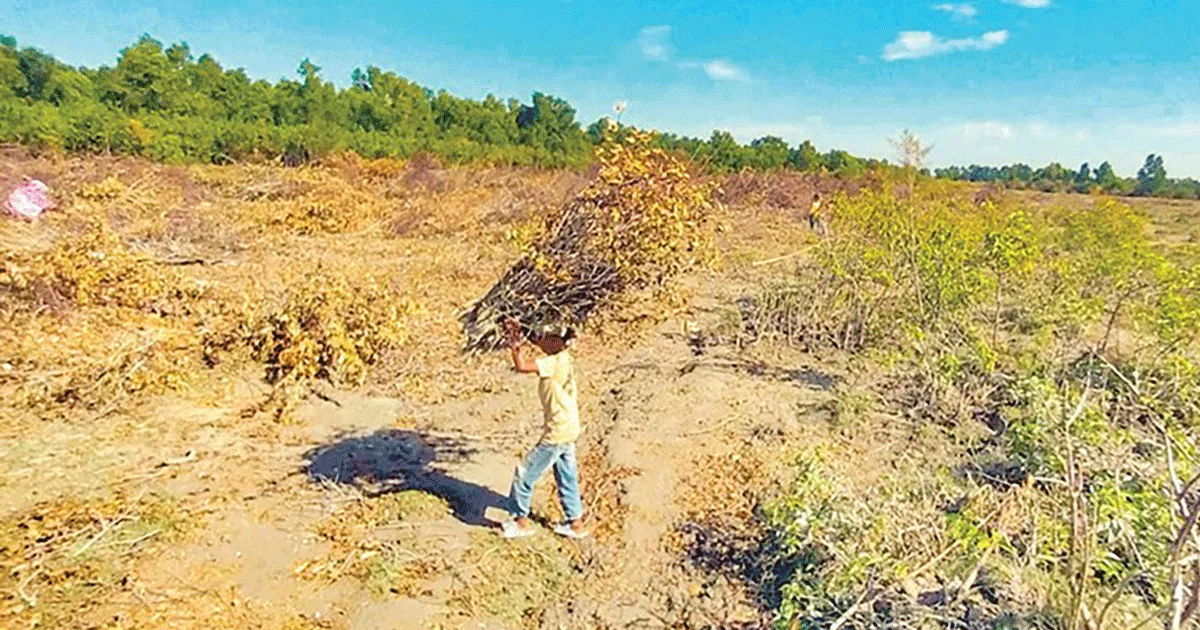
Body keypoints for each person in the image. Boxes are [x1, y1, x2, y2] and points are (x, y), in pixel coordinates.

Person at [499, 316, 589, 539]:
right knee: (566, 474)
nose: (541, 342)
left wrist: (514, 344)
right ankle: (575, 524)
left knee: (524, 473)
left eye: (548, 338)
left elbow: (521, 366)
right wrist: (520, 328)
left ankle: (520, 521)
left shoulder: (553, 362)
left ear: (558, 342)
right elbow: (542, 341)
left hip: (557, 431)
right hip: (570, 427)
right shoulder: (564, 356)